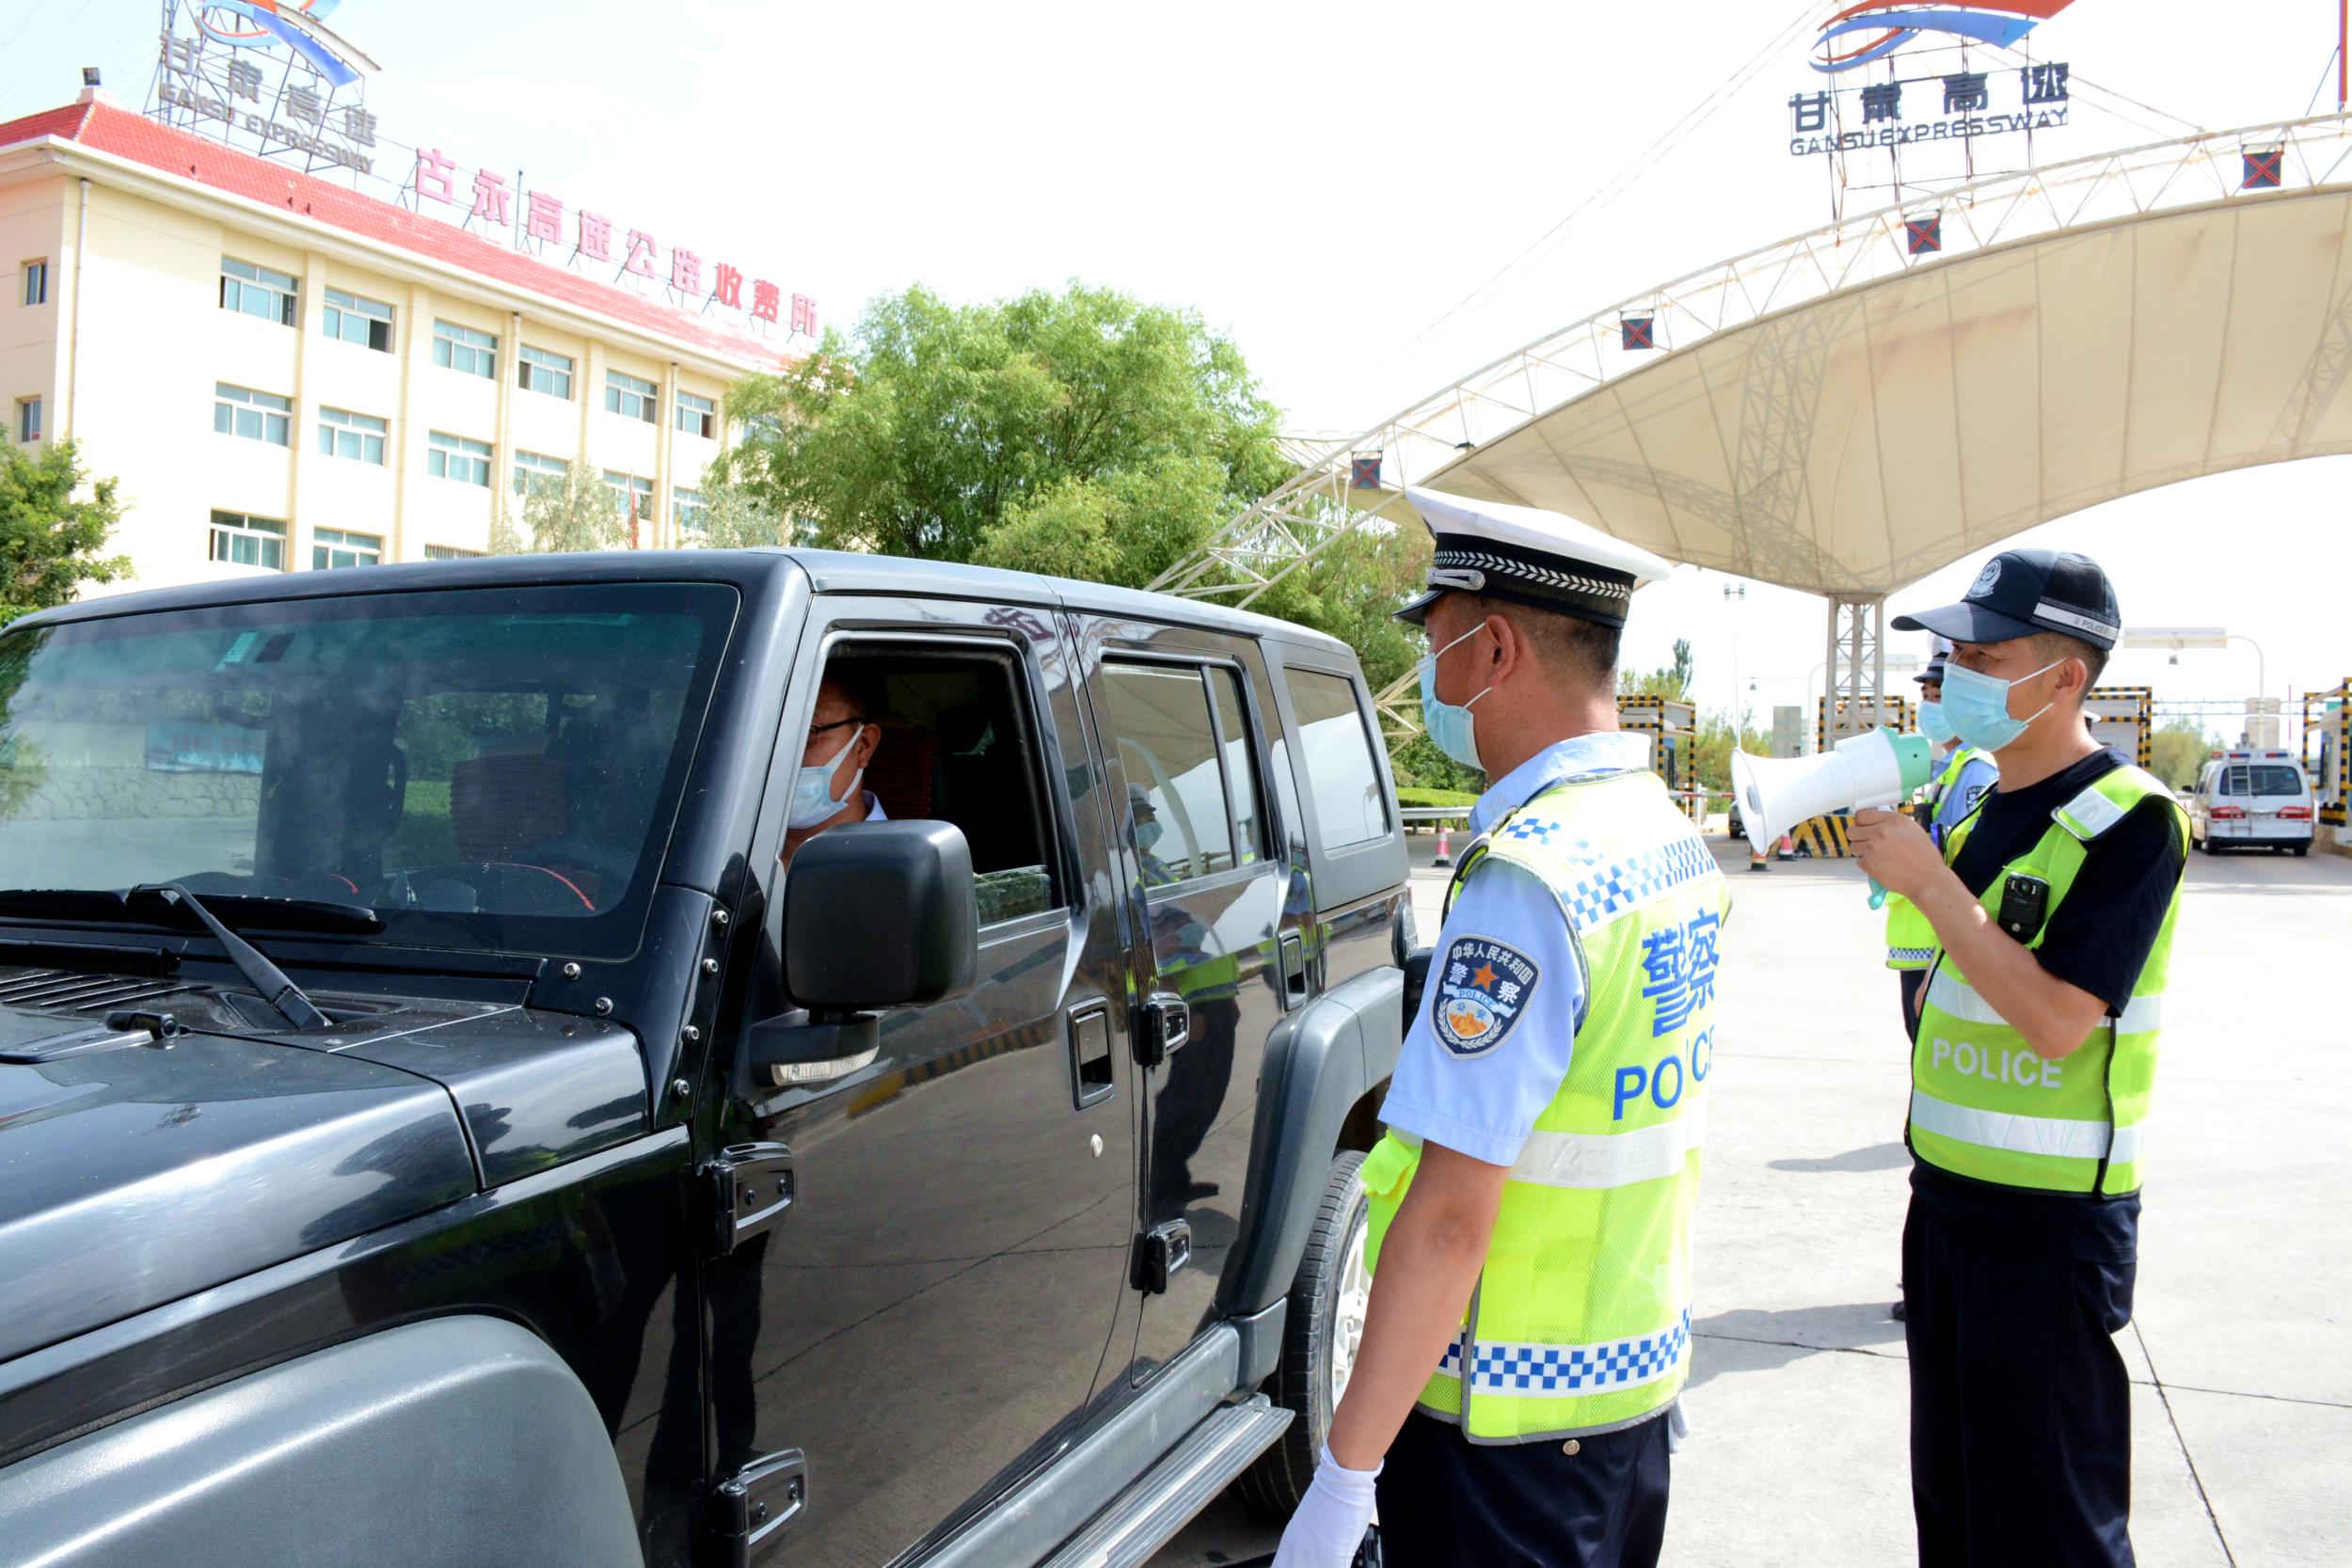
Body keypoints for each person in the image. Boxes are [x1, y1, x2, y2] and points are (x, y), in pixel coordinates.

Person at [1273, 489, 1727, 1568]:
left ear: (1495, 647)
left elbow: (1447, 1218)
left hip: (1503, 1429)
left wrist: (1342, 1476)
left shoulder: (1531, 878)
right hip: (1623, 1394)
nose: (1431, 674)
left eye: (1437, 640)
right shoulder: (1660, 835)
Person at [1849, 549, 2188, 1568]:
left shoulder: (2130, 818)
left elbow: (2055, 1021)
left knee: (2048, 1529)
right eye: (1952, 655)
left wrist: (1930, 887)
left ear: (2063, 679)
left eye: (1983, 656)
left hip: (2047, 1233)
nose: (1956, 675)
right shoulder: (1986, 801)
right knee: (1954, 1511)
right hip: (1945, 1205)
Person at [1883, 647, 2000, 1031]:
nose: (1930, 707)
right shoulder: (1946, 768)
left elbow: (1970, 861)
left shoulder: (1977, 769)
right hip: (1924, 934)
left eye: (1940, 697)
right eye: (1927, 697)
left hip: (1942, 941)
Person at [781, 672, 885, 869]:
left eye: (807, 731)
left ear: (863, 745)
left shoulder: (893, 865)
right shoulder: (718, 848)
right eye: (771, 734)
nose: (781, 753)